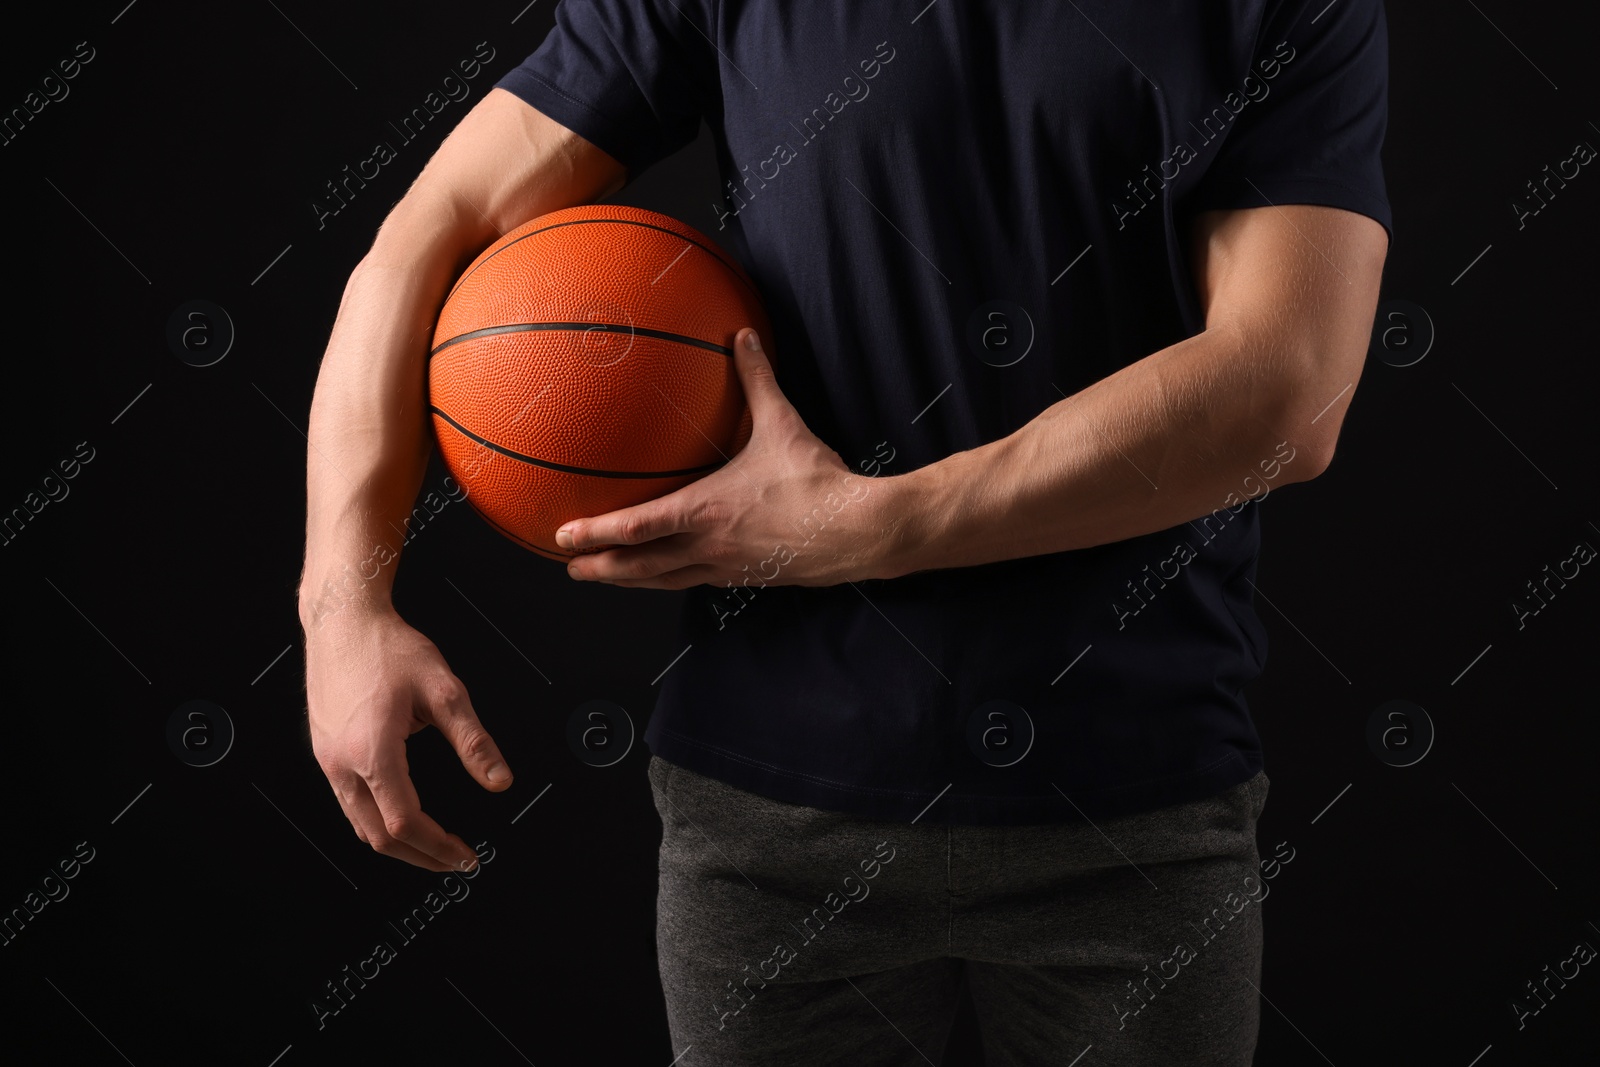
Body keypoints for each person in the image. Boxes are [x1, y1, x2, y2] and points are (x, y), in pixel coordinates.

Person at [299, 1, 1391, 1063]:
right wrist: (340, 604)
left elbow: (1287, 387)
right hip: (768, 819)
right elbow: (425, 237)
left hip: (1135, 806)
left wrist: (870, 527)